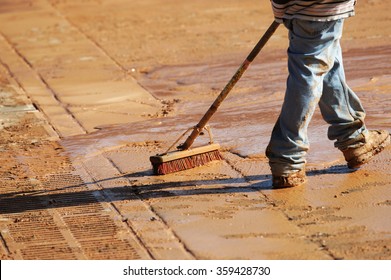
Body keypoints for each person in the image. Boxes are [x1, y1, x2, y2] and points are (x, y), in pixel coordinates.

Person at [266, 0, 391, 188]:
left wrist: (280, 8)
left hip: (298, 7)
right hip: (322, 6)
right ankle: (287, 156)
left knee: (327, 64)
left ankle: (352, 137)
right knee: (309, 72)